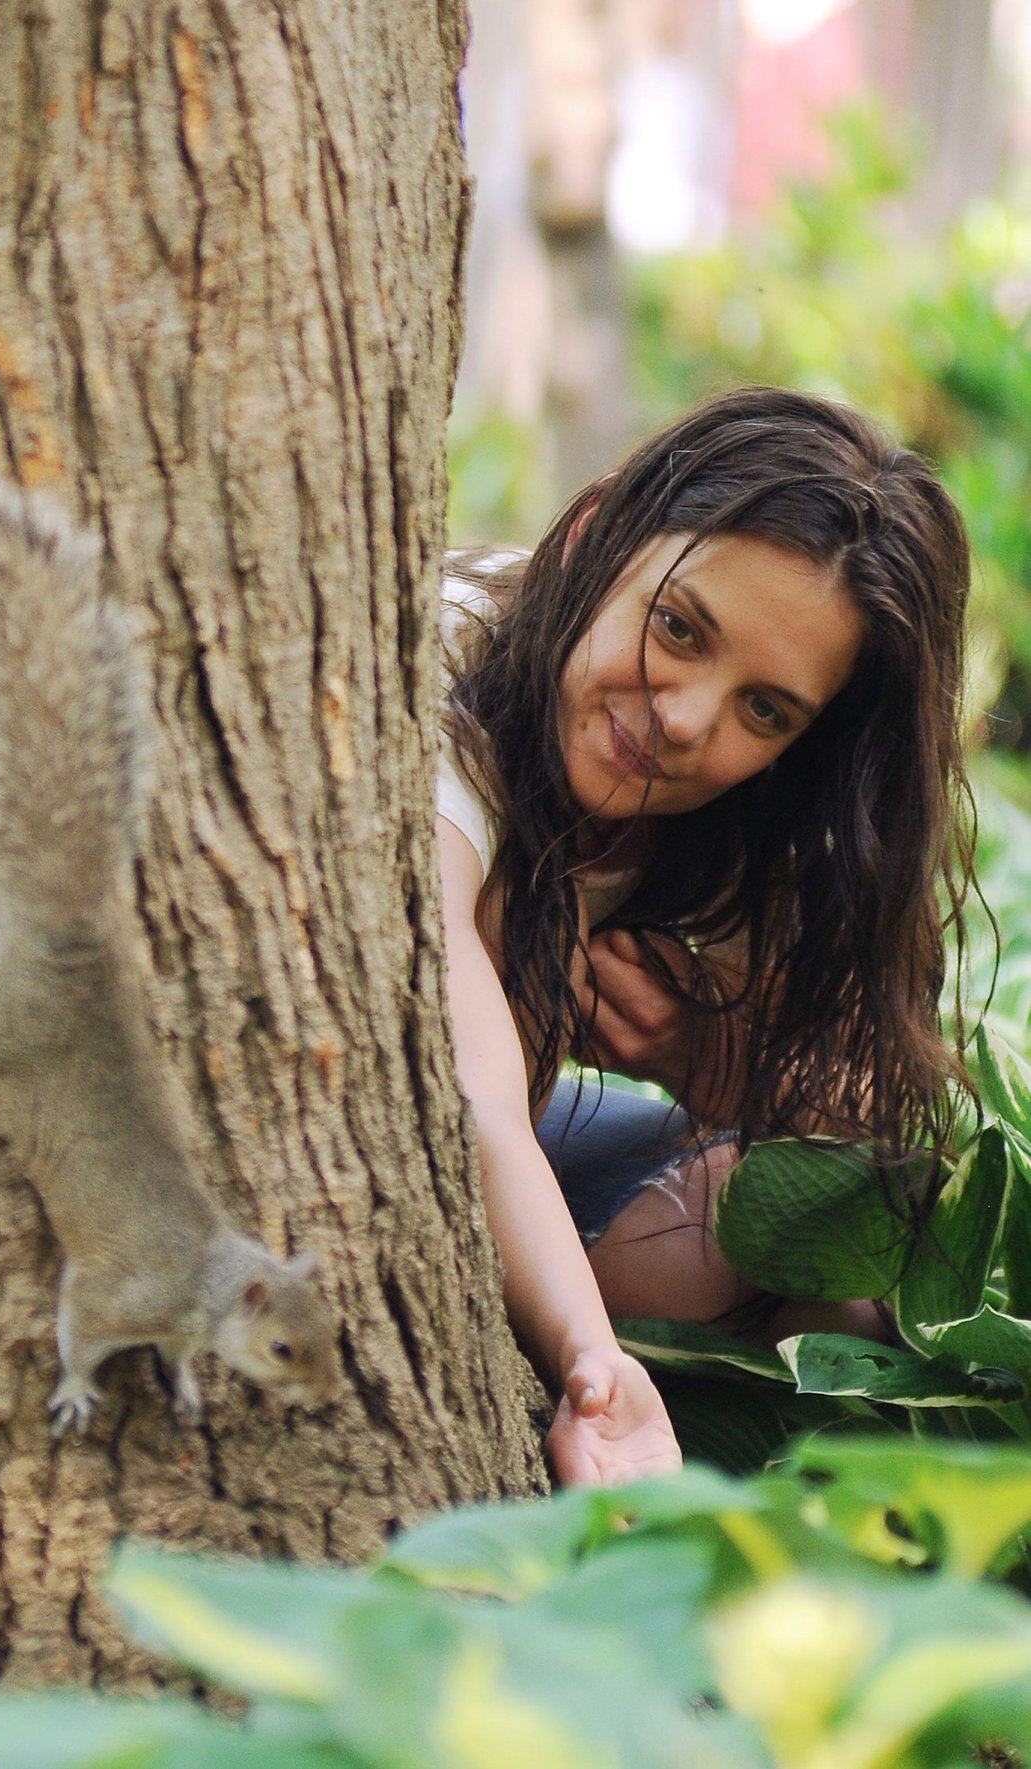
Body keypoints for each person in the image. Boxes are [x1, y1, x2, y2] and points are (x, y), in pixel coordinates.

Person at [436, 385, 975, 1487]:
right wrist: (593, 1357)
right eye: (679, 627)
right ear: (597, 536)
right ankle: (600, 1395)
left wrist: (698, 1054)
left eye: (765, 709)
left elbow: (879, 1121)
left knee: (838, 1257)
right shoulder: (453, 660)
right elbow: (467, 1090)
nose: (687, 717)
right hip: (437, 1168)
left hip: (541, 1161)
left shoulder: (743, 805)